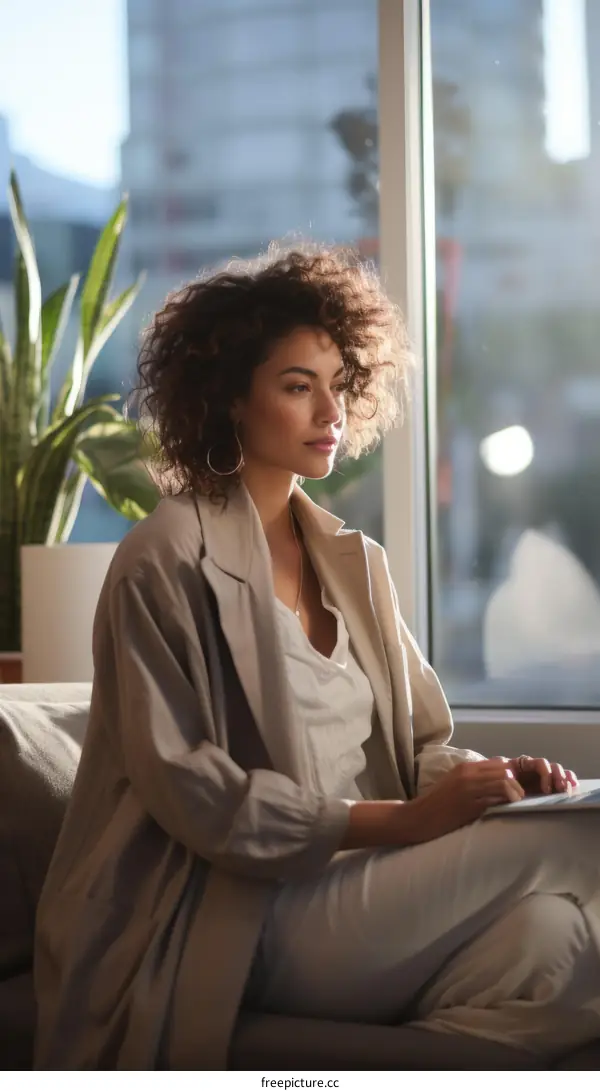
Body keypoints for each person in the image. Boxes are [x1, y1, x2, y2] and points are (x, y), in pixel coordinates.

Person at [34, 243, 600, 1070]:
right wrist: (404, 822)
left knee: (559, 945)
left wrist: (495, 782)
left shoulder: (353, 561)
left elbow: (422, 751)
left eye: (339, 383)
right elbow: (197, 793)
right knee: (587, 835)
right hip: (243, 909)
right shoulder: (163, 558)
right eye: (299, 386)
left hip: (368, 889)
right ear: (231, 398)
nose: (330, 409)